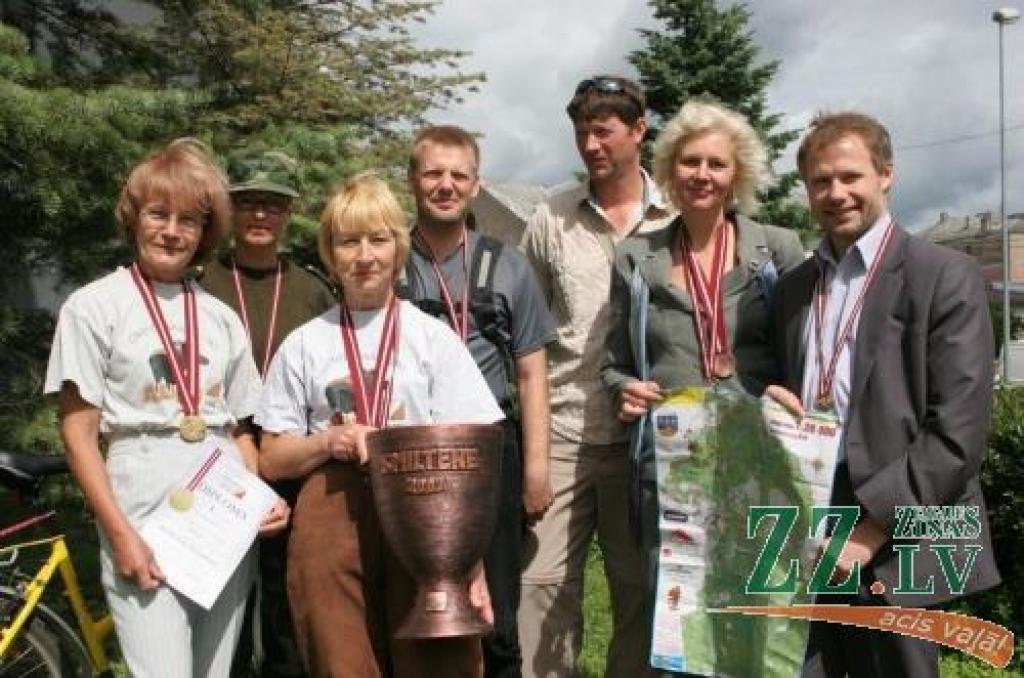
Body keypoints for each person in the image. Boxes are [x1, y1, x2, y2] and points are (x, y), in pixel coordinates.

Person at [765, 112, 1001, 677]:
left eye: (850, 176)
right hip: (814, 505)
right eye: (820, 181)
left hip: (904, 511)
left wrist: (871, 531)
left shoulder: (944, 274)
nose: (836, 193)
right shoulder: (796, 289)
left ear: (886, 175)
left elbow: (958, 434)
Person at [44, 139, 289, 678]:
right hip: (143, 510)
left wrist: (260, 499)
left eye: (189, 220)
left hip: (220, 522)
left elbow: (240, 429)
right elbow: (79, 433)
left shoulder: (221, 318)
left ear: (205, 232)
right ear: (134, 219)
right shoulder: (94, 307)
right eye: (158, 214)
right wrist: (121, 534)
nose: (172, 231)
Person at [256, 173, 502, 677]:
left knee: (439, 658)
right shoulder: (304, 343)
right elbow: (271, 456)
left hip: (427, 510)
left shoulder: (433, 339)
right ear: (330, 252)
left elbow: (473, 456)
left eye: (378, 239)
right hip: (333, 511)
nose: (364, 255)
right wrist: (330, 440)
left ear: (398, 248)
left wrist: (469, 561)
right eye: (349, 241)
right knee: (340, 656)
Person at [600, 99, 804, 672]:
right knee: (679, 621)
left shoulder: (777, 250)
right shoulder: (636, 258)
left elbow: (806, 352)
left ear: (736, 172)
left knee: (758, 612)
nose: (702, 175)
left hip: (759, 467)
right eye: (690, 161)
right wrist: (626, 389)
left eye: (716, 163)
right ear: (670, 168)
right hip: (674, 468)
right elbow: (613, 362)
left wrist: (792, 390)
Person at [519, 75, 675, 677]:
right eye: (582, 131)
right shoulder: (550, 217)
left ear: (639, 131)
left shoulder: (677, 215)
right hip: (563, 431)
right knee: (541, 584)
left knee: (639, 590)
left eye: (604, 131)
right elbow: (526, 333)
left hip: (648, 440)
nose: (590, 144)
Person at [401, 125, 555, 678]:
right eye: (433, 173)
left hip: (490, 451)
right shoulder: (390, 260)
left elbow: (534, 373)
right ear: (413, 180)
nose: (445, 185)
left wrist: (536, 470)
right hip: (409, 457)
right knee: (417, 606)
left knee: (499, 617)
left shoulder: (507, 265)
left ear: (475, 184)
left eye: (457, 174)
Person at [198, 148, 334, 678]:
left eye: (272, 205)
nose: (260, 215)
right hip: (215, 458)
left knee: (284, 604)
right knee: (220, 603)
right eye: (249, 202)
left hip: (287, 462)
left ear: (288, 213)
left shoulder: (313, 290)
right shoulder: (200, 281)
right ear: (231, 210)